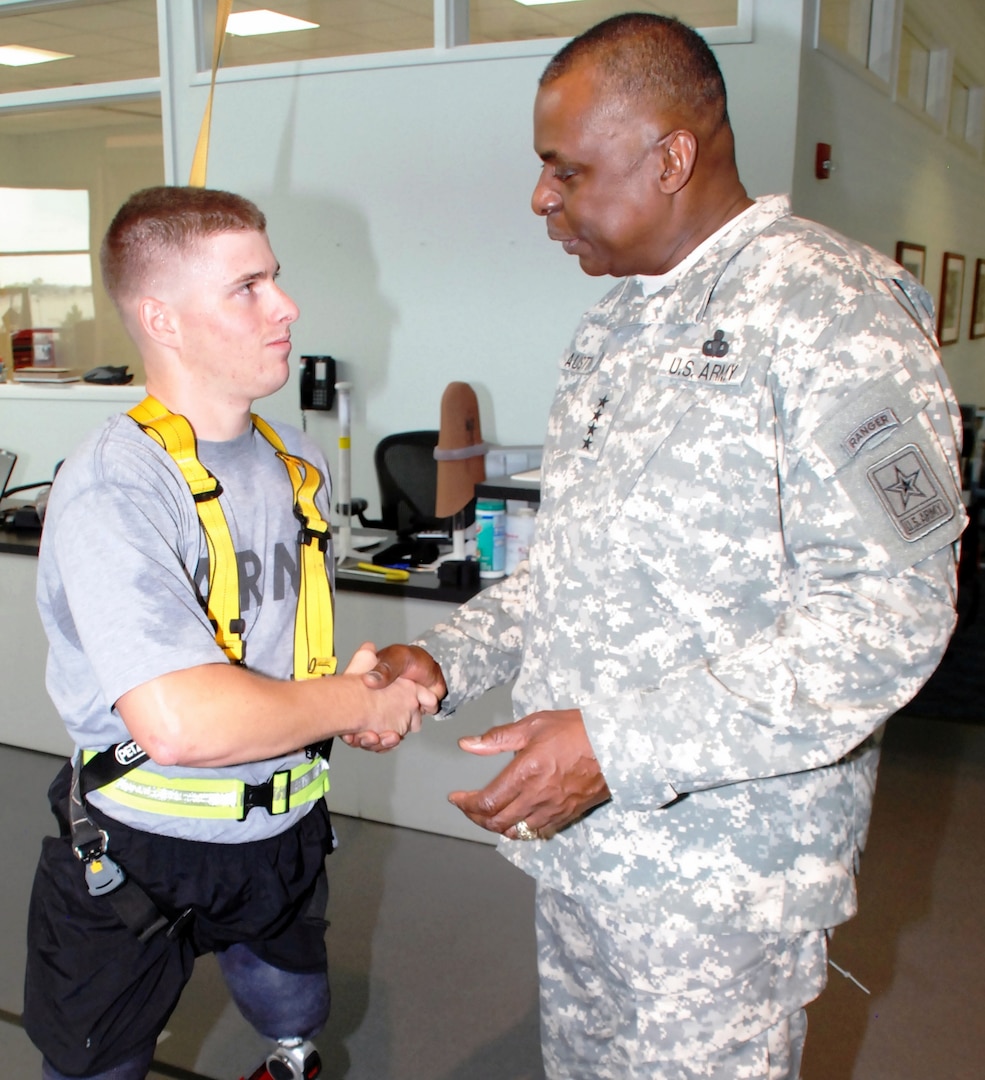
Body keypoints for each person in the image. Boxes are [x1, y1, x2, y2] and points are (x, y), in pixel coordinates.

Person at [364, 13, 968, 1080]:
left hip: (719, 881)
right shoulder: (613, 327)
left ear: (671, 156)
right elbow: (570, 573)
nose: (540, 198)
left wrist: (615, 747)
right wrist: (447, 659)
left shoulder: (832, 311)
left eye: (565, 170)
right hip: (587, 854)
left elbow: (890, 617)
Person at [23, 185, 438, 1080]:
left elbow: (269, 638)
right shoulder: (115, 488)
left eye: (275, 279)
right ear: (161, 319)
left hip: (280, 835)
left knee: (297, 1012)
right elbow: (180, 723)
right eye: (246, 287)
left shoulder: (296, 461)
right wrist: (349, 701)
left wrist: (349, 687)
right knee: (95, 1063)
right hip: (137, 851)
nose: (284, 306)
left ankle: (287, 1058)